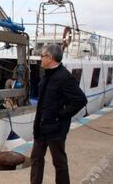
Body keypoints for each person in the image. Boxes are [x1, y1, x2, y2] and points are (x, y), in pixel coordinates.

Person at [30, 44, 87, 184]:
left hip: (56, 129)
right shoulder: (46, 75)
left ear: (50, 58)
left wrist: (60, 116)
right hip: (41, 127)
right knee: (36, 159)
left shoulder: (64, 77)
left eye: (42, 56)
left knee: (59, 163)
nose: (40, 59)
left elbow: (80, 100)